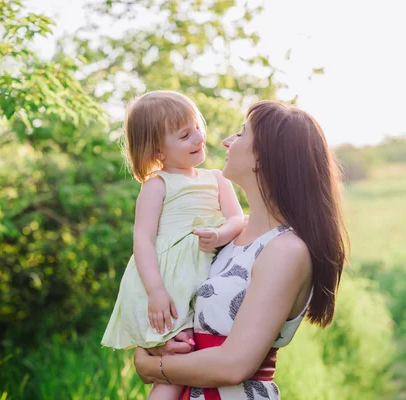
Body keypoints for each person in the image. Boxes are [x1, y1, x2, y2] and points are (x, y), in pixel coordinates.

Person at [133, 100, 348, 400]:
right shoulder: (228, 236)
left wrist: (153, 367)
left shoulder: (284, 250)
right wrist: (159, 346)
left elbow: (234, 364)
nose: (226, 141)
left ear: (263, 158)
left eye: (240, 134)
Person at [101, 91, 245, 399]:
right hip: (168, 282)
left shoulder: (217, 179)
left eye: (197, 127)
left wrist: (219, 236)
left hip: (203, 274)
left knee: (192, 350)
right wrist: (155, 291)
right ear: (158, 151)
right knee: (177, 355)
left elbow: (237, 219)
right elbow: (142, 239)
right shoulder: (157, 185)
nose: (198, 138)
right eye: (184, 135)